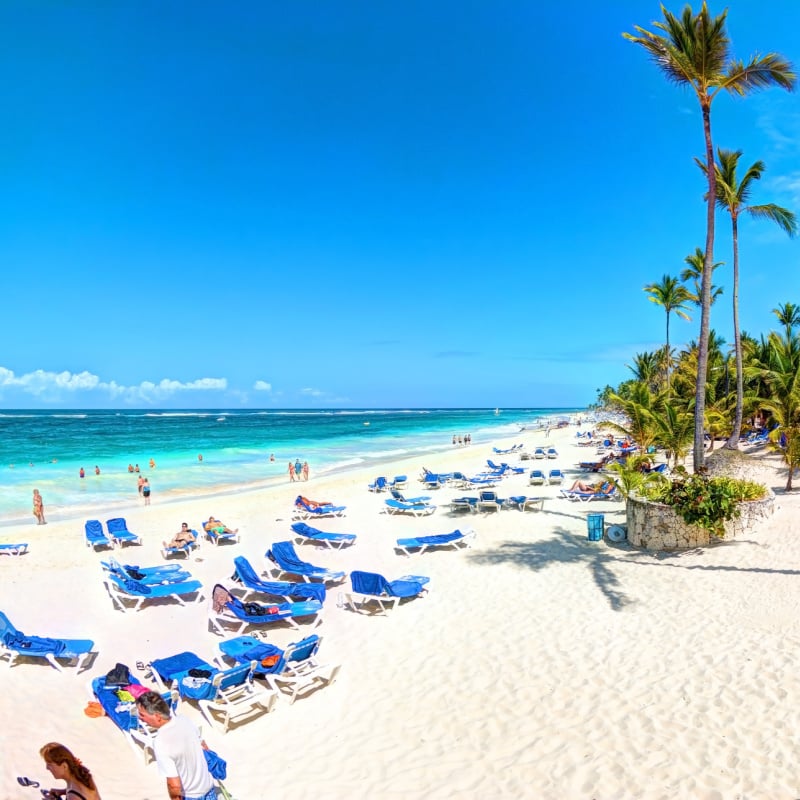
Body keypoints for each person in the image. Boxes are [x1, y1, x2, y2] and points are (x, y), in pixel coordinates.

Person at [135, 691, 216, 800]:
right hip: (209, 787)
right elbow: (204, 747)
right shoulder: (184, 719)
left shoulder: (161, 742)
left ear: (157, 717)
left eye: (142, 714)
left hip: (191, 795)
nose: (139, 718)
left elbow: (174, 785)